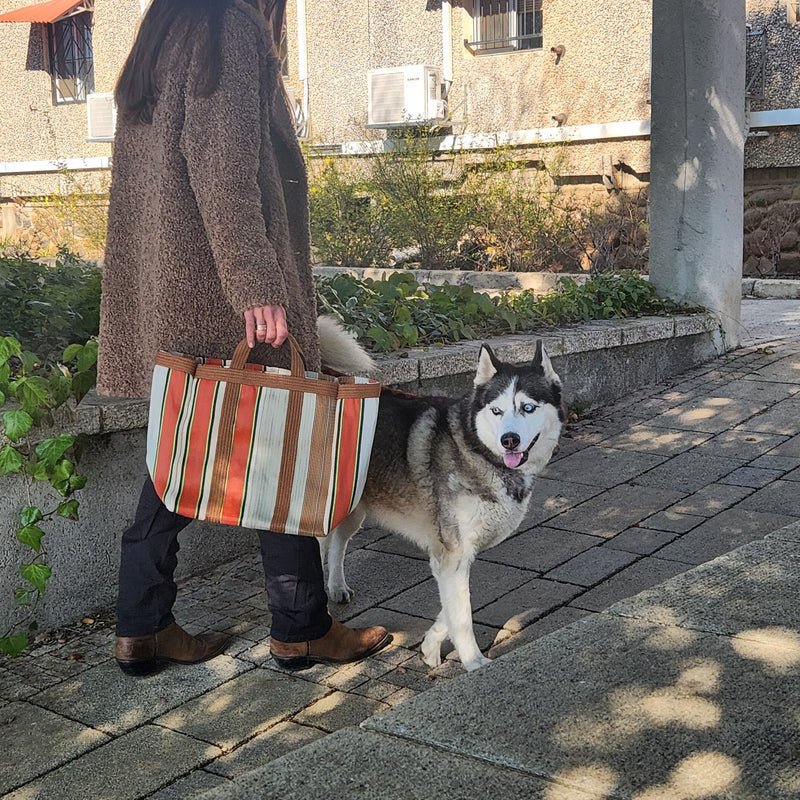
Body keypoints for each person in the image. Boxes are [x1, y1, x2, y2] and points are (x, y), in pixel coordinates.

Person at [97, 0, 390, 676]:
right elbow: (223, 169)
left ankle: (143, 626)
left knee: (182, 464)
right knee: (283, 452)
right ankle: (298, 628)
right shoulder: (226, 28)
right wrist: (256, 284)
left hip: (180, 295)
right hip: (222, 299)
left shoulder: (166, 31)